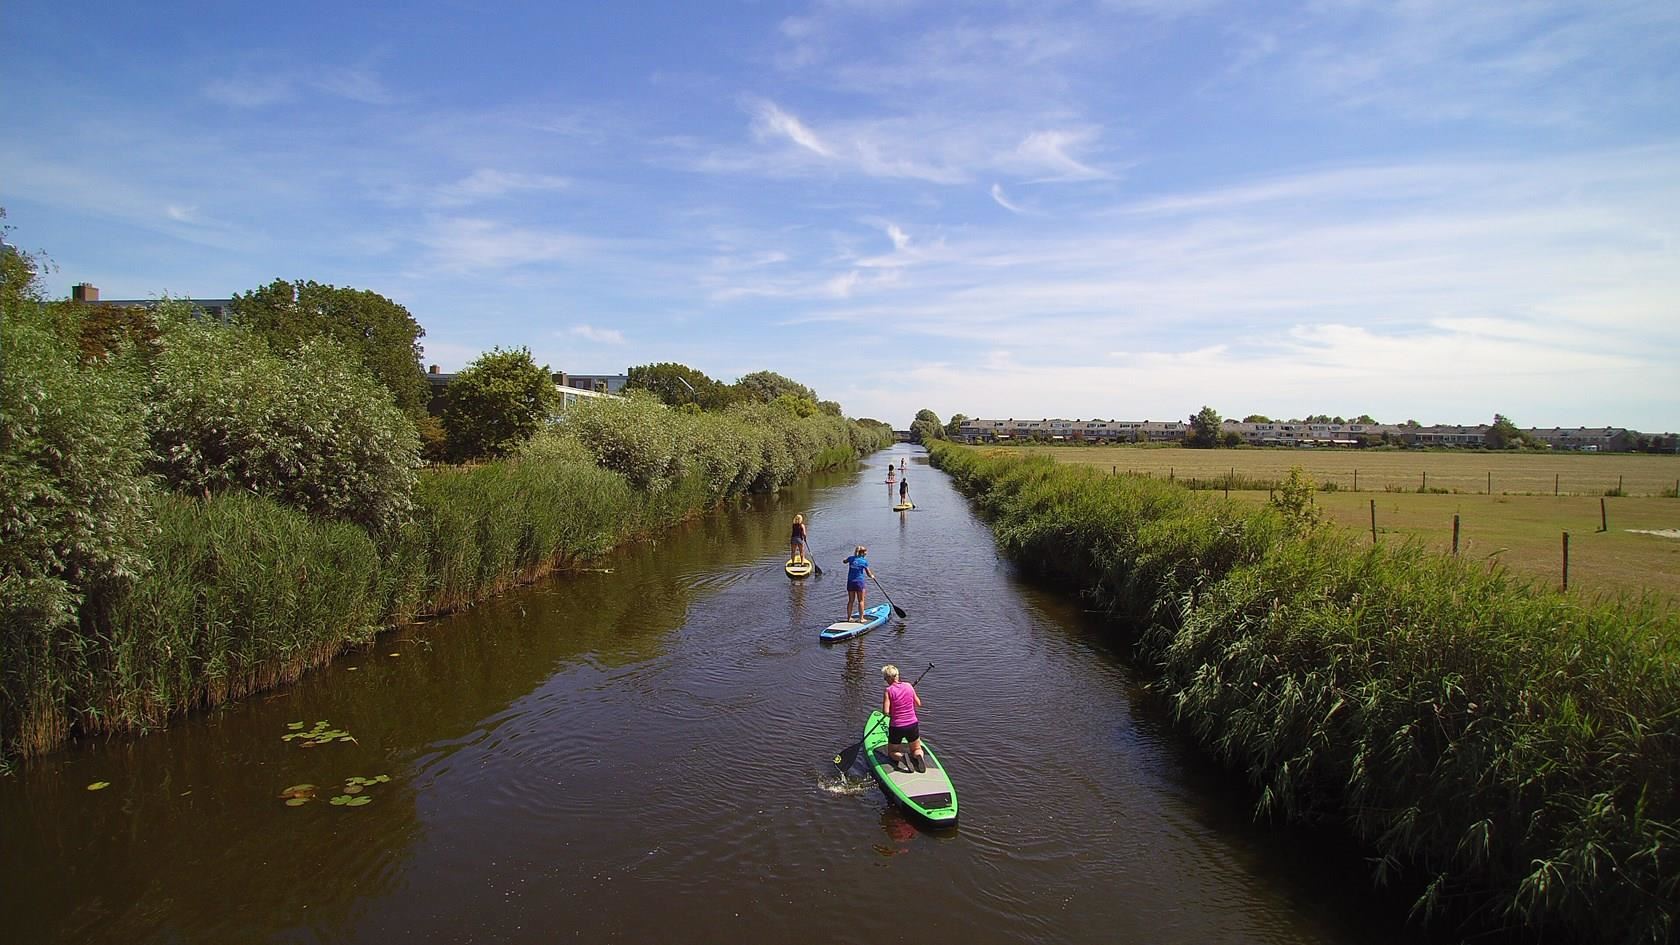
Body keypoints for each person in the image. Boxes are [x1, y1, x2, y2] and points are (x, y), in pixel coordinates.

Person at [881, 664, 924, 773]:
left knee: (892, 752)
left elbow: (885, 712)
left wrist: (892, 712)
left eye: (885, 678)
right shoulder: (909, 686)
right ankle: (919, 756)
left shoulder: (888, 690)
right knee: (916, 748)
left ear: (888, 678)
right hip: (912, 724)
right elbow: (918, 703)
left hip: (897, 727)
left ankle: (902, 758)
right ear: (897, 676)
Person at [843, 545, 873, 621]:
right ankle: (861, 618)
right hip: (859, 582)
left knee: (851, 600)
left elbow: (844, 561)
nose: (866, 553)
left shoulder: (851, 558)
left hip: (850, 582)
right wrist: (872, 576)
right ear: (862, 553)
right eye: (865, 552)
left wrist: (846, 560)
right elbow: (868, 574)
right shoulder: (864, 562)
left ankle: (849, 618)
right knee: (861, 601)